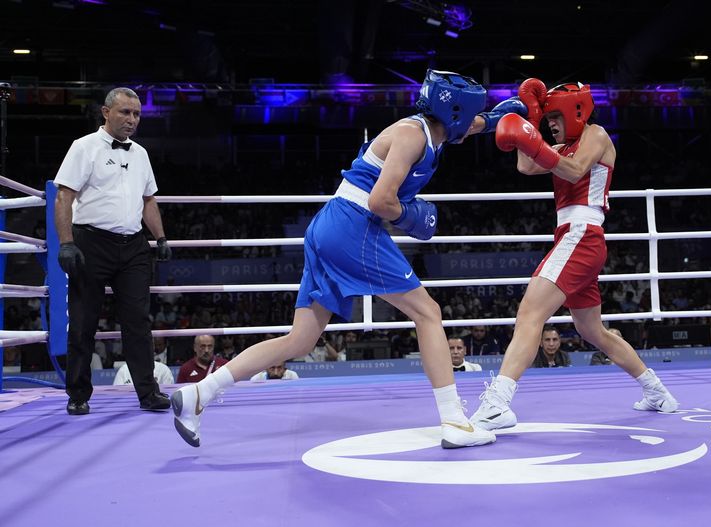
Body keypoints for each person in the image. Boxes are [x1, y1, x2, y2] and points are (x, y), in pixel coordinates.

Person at [171, 69, 529, 449]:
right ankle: (455, 421)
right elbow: (380, 201)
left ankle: (199, 394)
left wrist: (498, 119)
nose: (473, 121)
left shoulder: (439, 127)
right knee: (428, 313)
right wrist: (414, 216)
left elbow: (470, 124)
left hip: (332, 224)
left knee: (300, 340)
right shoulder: (411, 136)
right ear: (454, 111)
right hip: (355, 225)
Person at [470, 78, 678, 431]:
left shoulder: (595, 135)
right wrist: (531, 121)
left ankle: (497, 404)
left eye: (553, 116)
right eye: (547, 117)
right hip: (574, 236)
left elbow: (574, 169)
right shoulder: (563, 145)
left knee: (530, 313)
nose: (551, 123)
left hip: (582, 235)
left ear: (575, 111)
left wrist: (533, 138)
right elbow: (526, 166)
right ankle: (657, 392)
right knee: (593, 330)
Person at [54, 87, 172, 416]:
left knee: (138, 321)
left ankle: (148, 393)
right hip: (91, 242)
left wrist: (160, 237)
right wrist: (66, 243)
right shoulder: (84, 147)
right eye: (125, 112)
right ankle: (77, 393)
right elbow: (64, 196)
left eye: (136, 114)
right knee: (82, 322)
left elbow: (148, 199)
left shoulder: (141, 154)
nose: (132, 120)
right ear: (106, 113)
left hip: (133, 245)